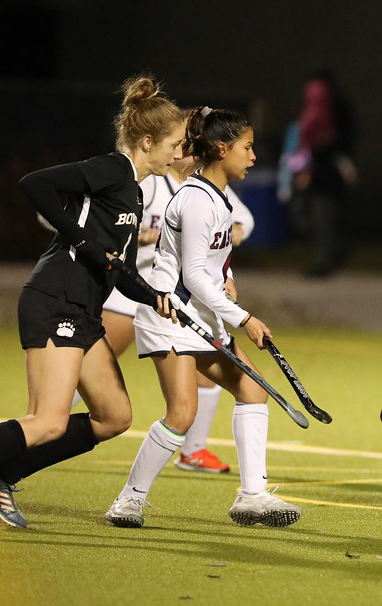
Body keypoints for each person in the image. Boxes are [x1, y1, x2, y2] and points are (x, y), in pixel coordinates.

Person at [0, 74, 184, 528]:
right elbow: (34, 183)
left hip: (84, 311)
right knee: (49, 422)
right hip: (55, 298)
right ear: (148, 140)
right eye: (173, 144)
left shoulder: (133, 192)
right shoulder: (112, 169)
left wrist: (156, 297)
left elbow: (121, 270)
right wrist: (82, 241)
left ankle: (1, 475)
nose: (178, 154)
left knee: (113, 416)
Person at [104, 106, 301, 528]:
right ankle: (129, 501)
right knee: (181, 414)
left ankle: (252, 497)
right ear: (222, 148)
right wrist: (243, 318)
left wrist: (227, 281)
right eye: (247, 148)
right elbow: (192, 275)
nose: (252, 157)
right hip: (171, 317)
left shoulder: (218, 198)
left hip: (201, 319)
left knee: (253, 390)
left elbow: (210, 265)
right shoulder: (195, 200)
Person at [76, 155, 255, 475]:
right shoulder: (151, 184)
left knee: (208, 378)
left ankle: (194, 451)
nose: (182, 151)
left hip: (178, 300)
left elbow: (243, 221)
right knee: (95, 369)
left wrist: (232, 235)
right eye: (177, 143)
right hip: (133, 291)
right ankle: (49, 422)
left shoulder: (210, 188)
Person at [283, 70, 358, 277]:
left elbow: (334, 144)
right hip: (314, 173)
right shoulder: (316, 113)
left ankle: (324, 262)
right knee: (309, 216)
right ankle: (328, 256)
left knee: (323, 218)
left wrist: (311, 165)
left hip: (324, 175)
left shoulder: (334, 112)